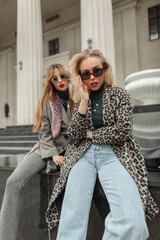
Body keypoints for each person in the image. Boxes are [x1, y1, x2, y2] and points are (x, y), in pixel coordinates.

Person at [46, 49, 159, 240]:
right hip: (82, 155)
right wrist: (83, 102)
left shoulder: (119, 95)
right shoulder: (80, 98)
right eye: (86, 73)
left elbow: (122, 131)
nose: (92, 77)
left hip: (113, 154)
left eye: (96, 71)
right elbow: (74, 135)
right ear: (80, 76)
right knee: (70, 223)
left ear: (105, 69)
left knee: (133, 223)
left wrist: (89, 134)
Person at [0, 63, 73, 240]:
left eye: (62, 76)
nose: (60, 81)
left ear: (68, 75)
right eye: (54, 79)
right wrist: (53, 154)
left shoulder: (79, 97)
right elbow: (44, 134)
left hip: (73, 149)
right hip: (47, 148)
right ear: (51, 82)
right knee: (12, 182)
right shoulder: (48, 103)